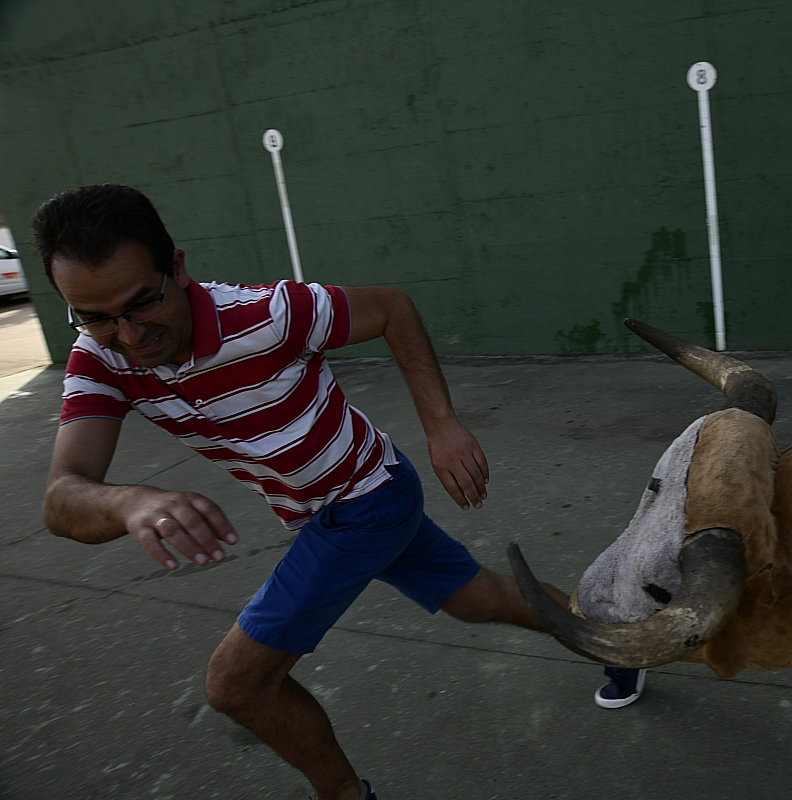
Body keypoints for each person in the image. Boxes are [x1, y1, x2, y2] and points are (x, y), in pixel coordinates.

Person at [34, 184, 575, 800]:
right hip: (341, 504)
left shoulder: (269, 314)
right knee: (478, 600)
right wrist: (127, 501)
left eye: (142, 303)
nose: (129, 335)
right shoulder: (99, 359)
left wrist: (442, 425)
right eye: (95, 316)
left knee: (237, 685)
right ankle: (613, 638)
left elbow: (391, 308)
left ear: (177, 268)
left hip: (365, 501)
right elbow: (62, 498)